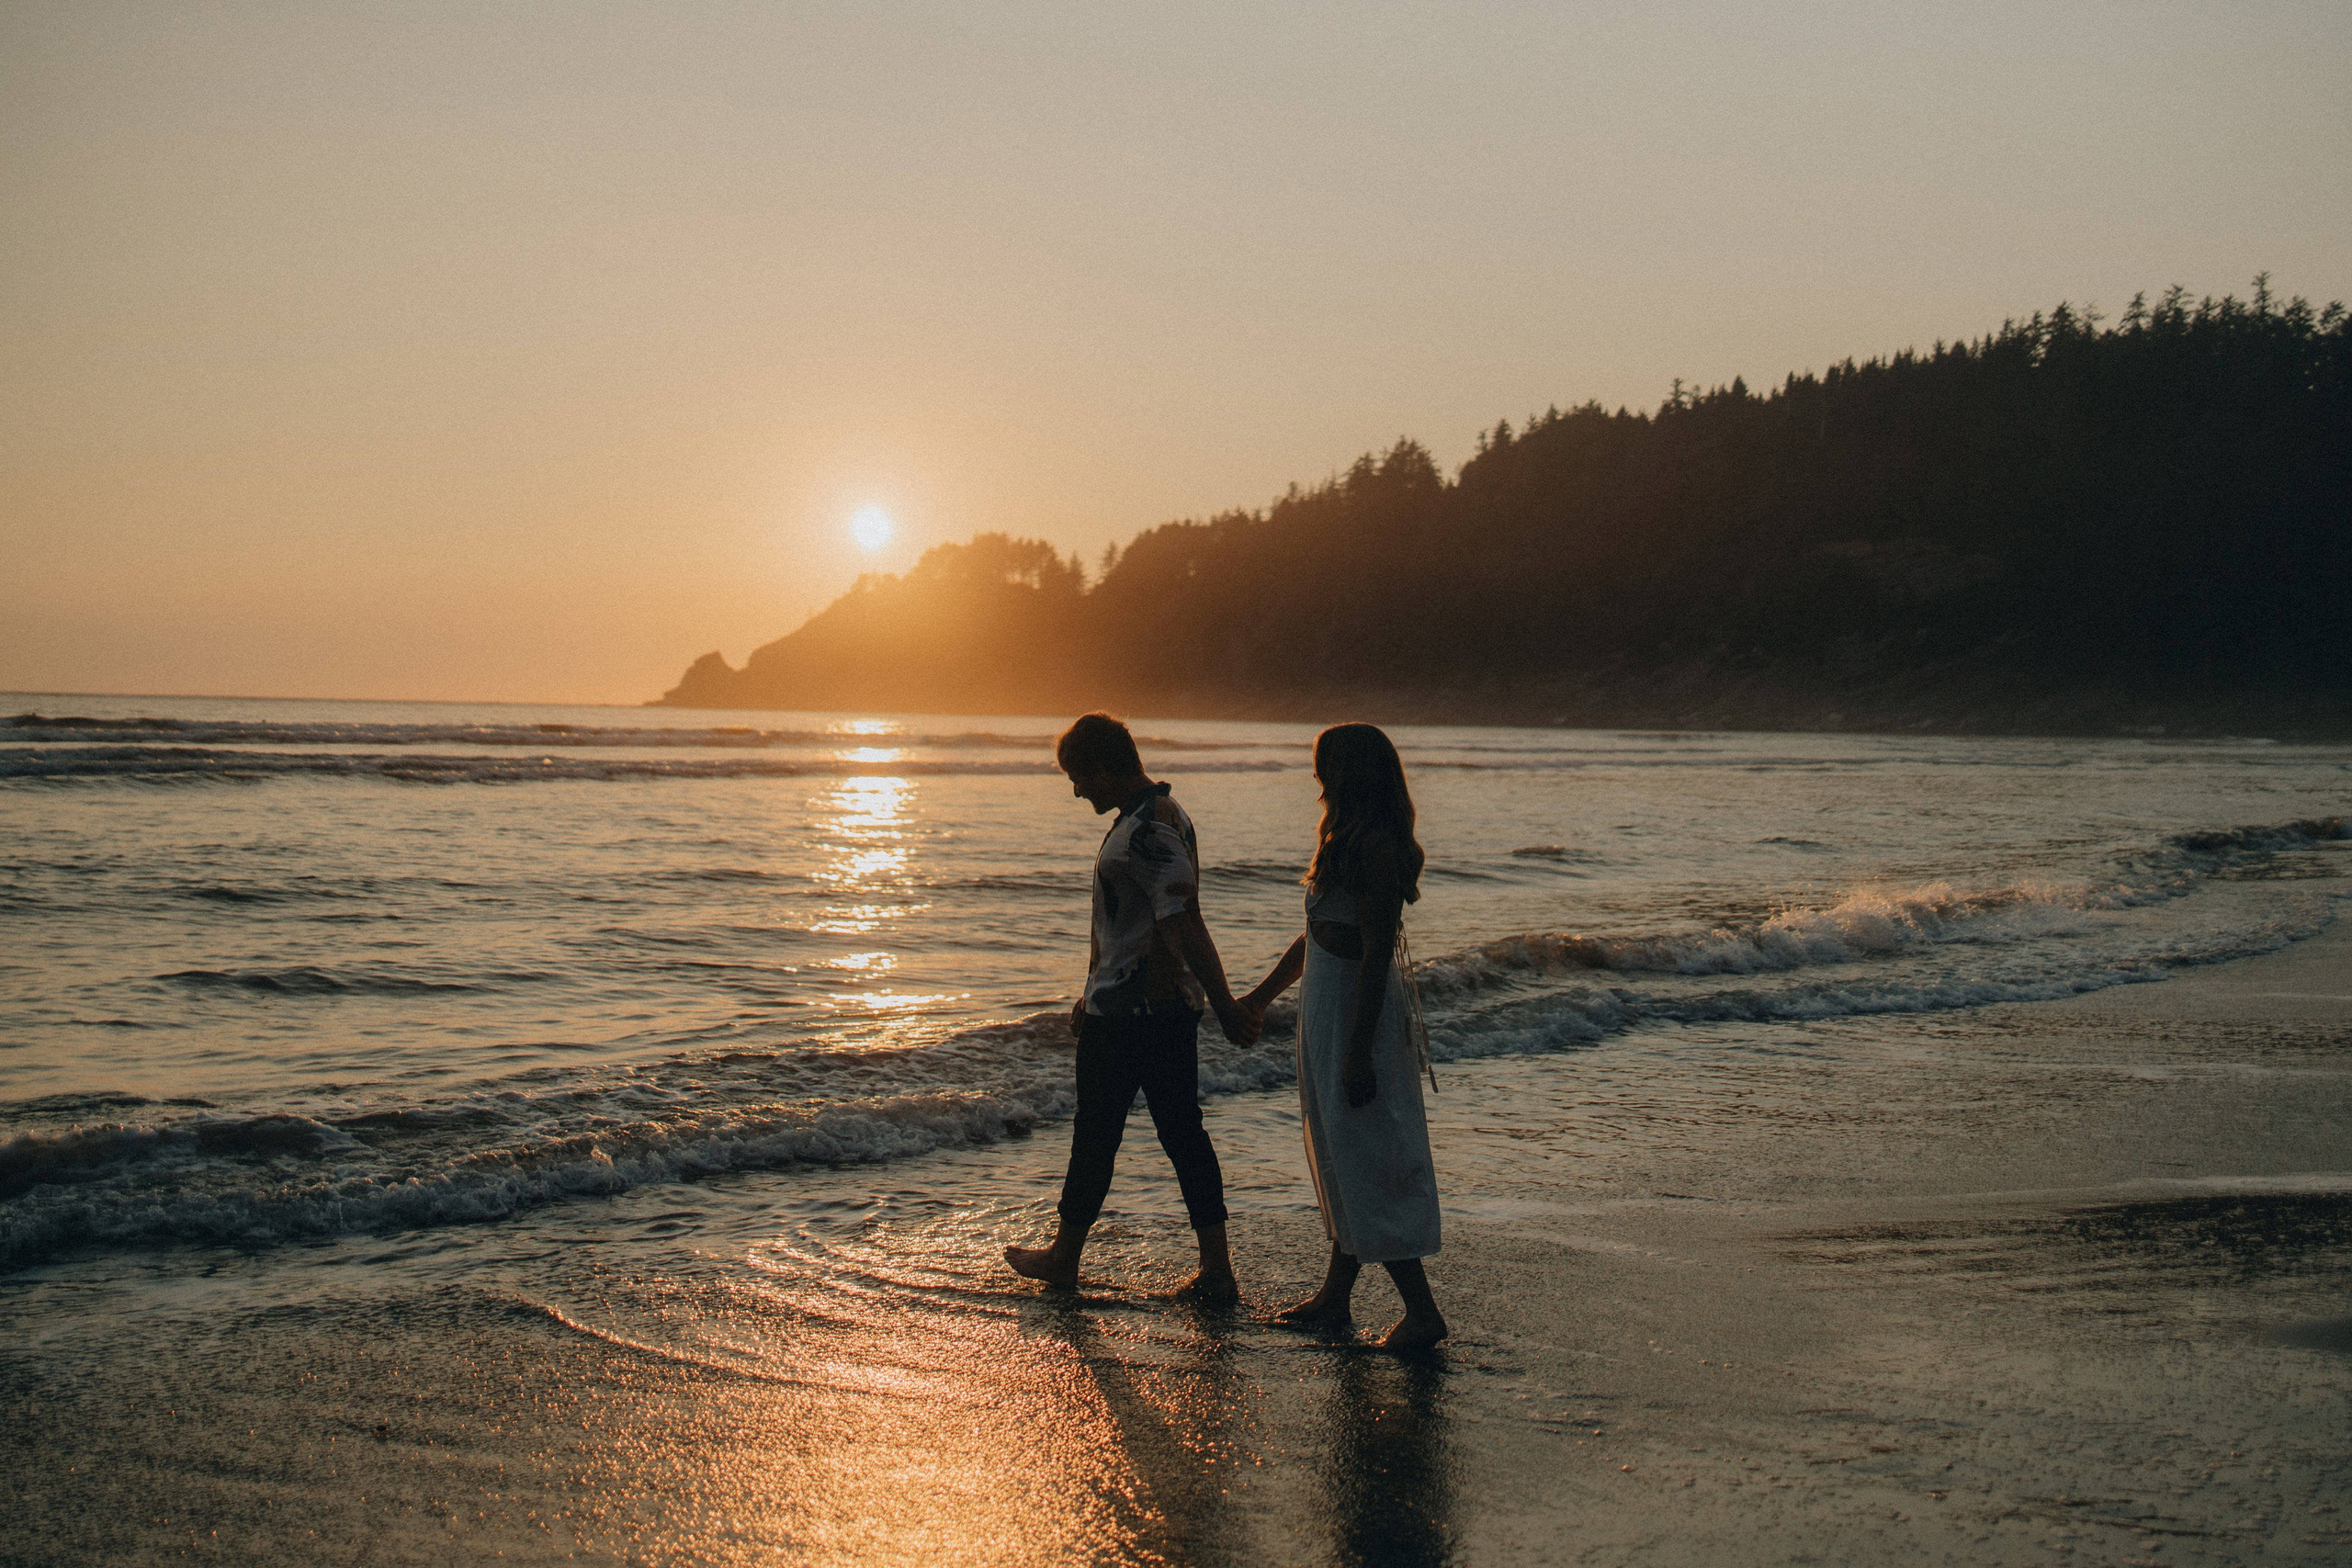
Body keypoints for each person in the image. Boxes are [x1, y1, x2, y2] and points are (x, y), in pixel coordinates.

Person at [1004, 713, 1261, 1302]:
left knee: (1105, 1134)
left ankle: (1070, 1258)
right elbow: (1136, 927)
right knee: (1176, 1133)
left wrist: (1224, 1002)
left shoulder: (1148, 830)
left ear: (1102, 767)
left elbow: (1183, 920)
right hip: (1135, 1006)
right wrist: (1092, 992)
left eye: (1078, 777)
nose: (1077, 791)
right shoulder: (1155, 817)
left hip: (1139, 1017)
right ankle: (1213, 1268)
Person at [1239, 723, 1447, 1350]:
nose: (1316, 779)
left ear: (1350, 774)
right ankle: (1336, 1294)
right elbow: (1316, 936)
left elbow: (1377, 950)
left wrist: (1359, 1052)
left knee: (1369, 1152)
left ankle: (1422, 1311)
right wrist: (1260, 997)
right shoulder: (1342, 840)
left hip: (1358, 1016)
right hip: (1326, 1010)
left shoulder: (1376, 848)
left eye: (1324, 767)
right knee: (1338, 1146)